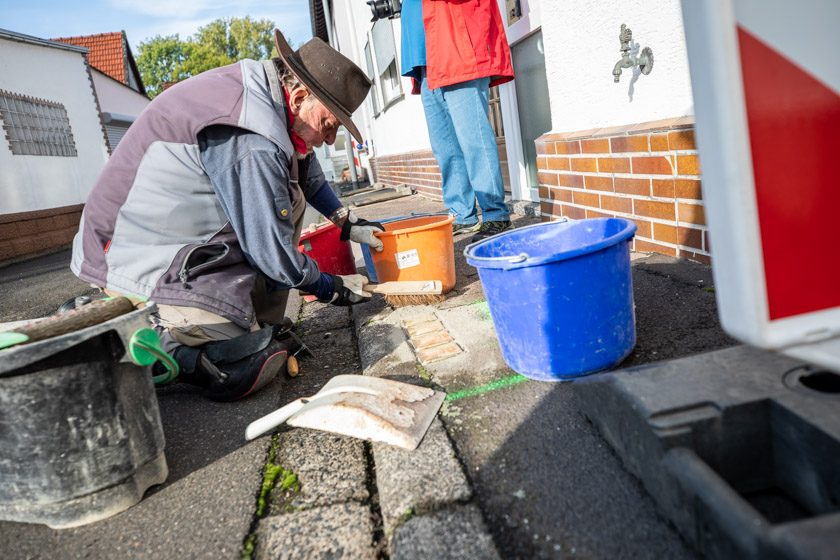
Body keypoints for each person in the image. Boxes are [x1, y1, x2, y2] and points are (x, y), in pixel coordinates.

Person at [70, 31, 384, 401]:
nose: (330, 140)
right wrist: (330, 287)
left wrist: (344, 219)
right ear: (300, 96)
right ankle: (126, 327)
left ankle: (254, 319)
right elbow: (270, 251)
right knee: (231, 359)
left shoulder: (269, 95)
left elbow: (306, 167)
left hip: (178, 237)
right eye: (329, 125)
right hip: (132, 253)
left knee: (290, 196)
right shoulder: (253, 136)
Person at [400, 0, 515, 241]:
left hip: (456, 47)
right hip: (425, 60)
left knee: (474, 140)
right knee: (445, 148)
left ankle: (496, 215)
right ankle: (462, 214)